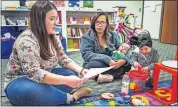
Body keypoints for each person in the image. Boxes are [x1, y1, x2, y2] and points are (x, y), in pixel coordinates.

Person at [4, 1, 92, 106]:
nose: (56, 22)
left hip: (44, 76)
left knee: (71, 73)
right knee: (29, 91)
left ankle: (52, 95)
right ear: (39, 20)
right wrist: (65, 80)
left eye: (56, 18)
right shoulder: (26, 40)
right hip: (21, 81)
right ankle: (71, 97)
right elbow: (34, 73)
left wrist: (81, 70)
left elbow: (63, 58)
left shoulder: (53, 36)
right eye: (51, 19)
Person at [80, 12, 131, 83]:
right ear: (93, 23)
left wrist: (123, 60)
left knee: (128, 62)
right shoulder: (86, 37)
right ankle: (115, 74)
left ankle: (106, 76)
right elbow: (86, 54)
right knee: (90, 66)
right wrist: (107, 59)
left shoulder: (113, 35)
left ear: (106, 24)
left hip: (114, 62)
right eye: (97, 22)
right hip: (99, 63)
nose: (99, 25)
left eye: (102, 22)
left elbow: (123, 49)